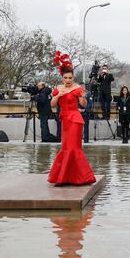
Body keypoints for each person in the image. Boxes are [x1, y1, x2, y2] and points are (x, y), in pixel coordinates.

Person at [48, 53, 96, 186]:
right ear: (62, 78)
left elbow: (84, 105)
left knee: (73, 147)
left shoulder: (77, 88)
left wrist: (83, 97)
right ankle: (65, 177)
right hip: (64, 119)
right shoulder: (58, 89)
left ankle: (80, 177)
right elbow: (52, 105)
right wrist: (58, 97)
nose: (68, 80)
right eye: (65, 78)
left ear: (73, 77)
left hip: (75, 119)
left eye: (70, 77)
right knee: (65, 146)